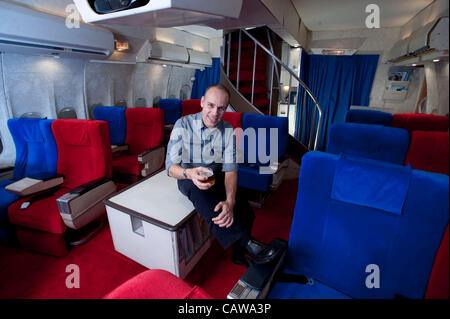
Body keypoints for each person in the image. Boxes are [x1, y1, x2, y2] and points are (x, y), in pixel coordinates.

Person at [165, 84, 276, 266]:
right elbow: (170, 167)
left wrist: (230, 201)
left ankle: (240, 255)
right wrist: (190, 173)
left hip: (215, 174)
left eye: (221, 108)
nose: (215, 112)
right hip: (187, 176)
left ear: (226, 109)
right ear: (201, 102)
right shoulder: (182, 124)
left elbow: (231, 169)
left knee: (244, 207)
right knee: (204, 198)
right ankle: (247, 243)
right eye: (210, 105)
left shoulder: (229, 131)